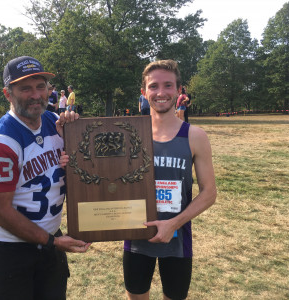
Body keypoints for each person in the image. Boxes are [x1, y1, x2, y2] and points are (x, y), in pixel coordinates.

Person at [0, 56, 90, 300]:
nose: (36, 95)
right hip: (8, 251)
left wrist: (75, 135)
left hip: (48, 242)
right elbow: (1, 213)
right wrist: (53, 242)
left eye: (41, 86)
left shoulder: (52, 121)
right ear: (8, 94)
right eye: (25, 88)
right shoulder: (0, 144)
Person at [123, 60, 217, 300]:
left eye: (168, 85)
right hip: (136, 238)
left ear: (178, 90)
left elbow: (209, 193)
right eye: (154, 86)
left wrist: (173, 224)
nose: (161, 93)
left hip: (177, 240)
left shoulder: (194, 136)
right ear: (144, 93)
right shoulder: (128, 135)